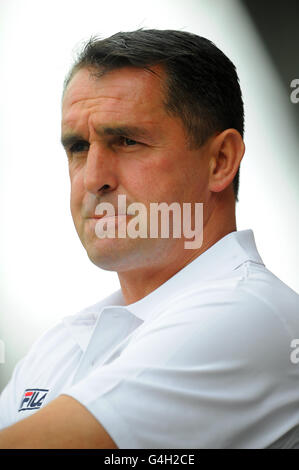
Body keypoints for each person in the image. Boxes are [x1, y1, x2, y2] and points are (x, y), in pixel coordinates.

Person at [0, 28, 298, 449]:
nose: (93, 178)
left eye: (126, 141)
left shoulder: (250, 315)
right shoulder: (62, 342)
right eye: (78, 147)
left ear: (220, 161)